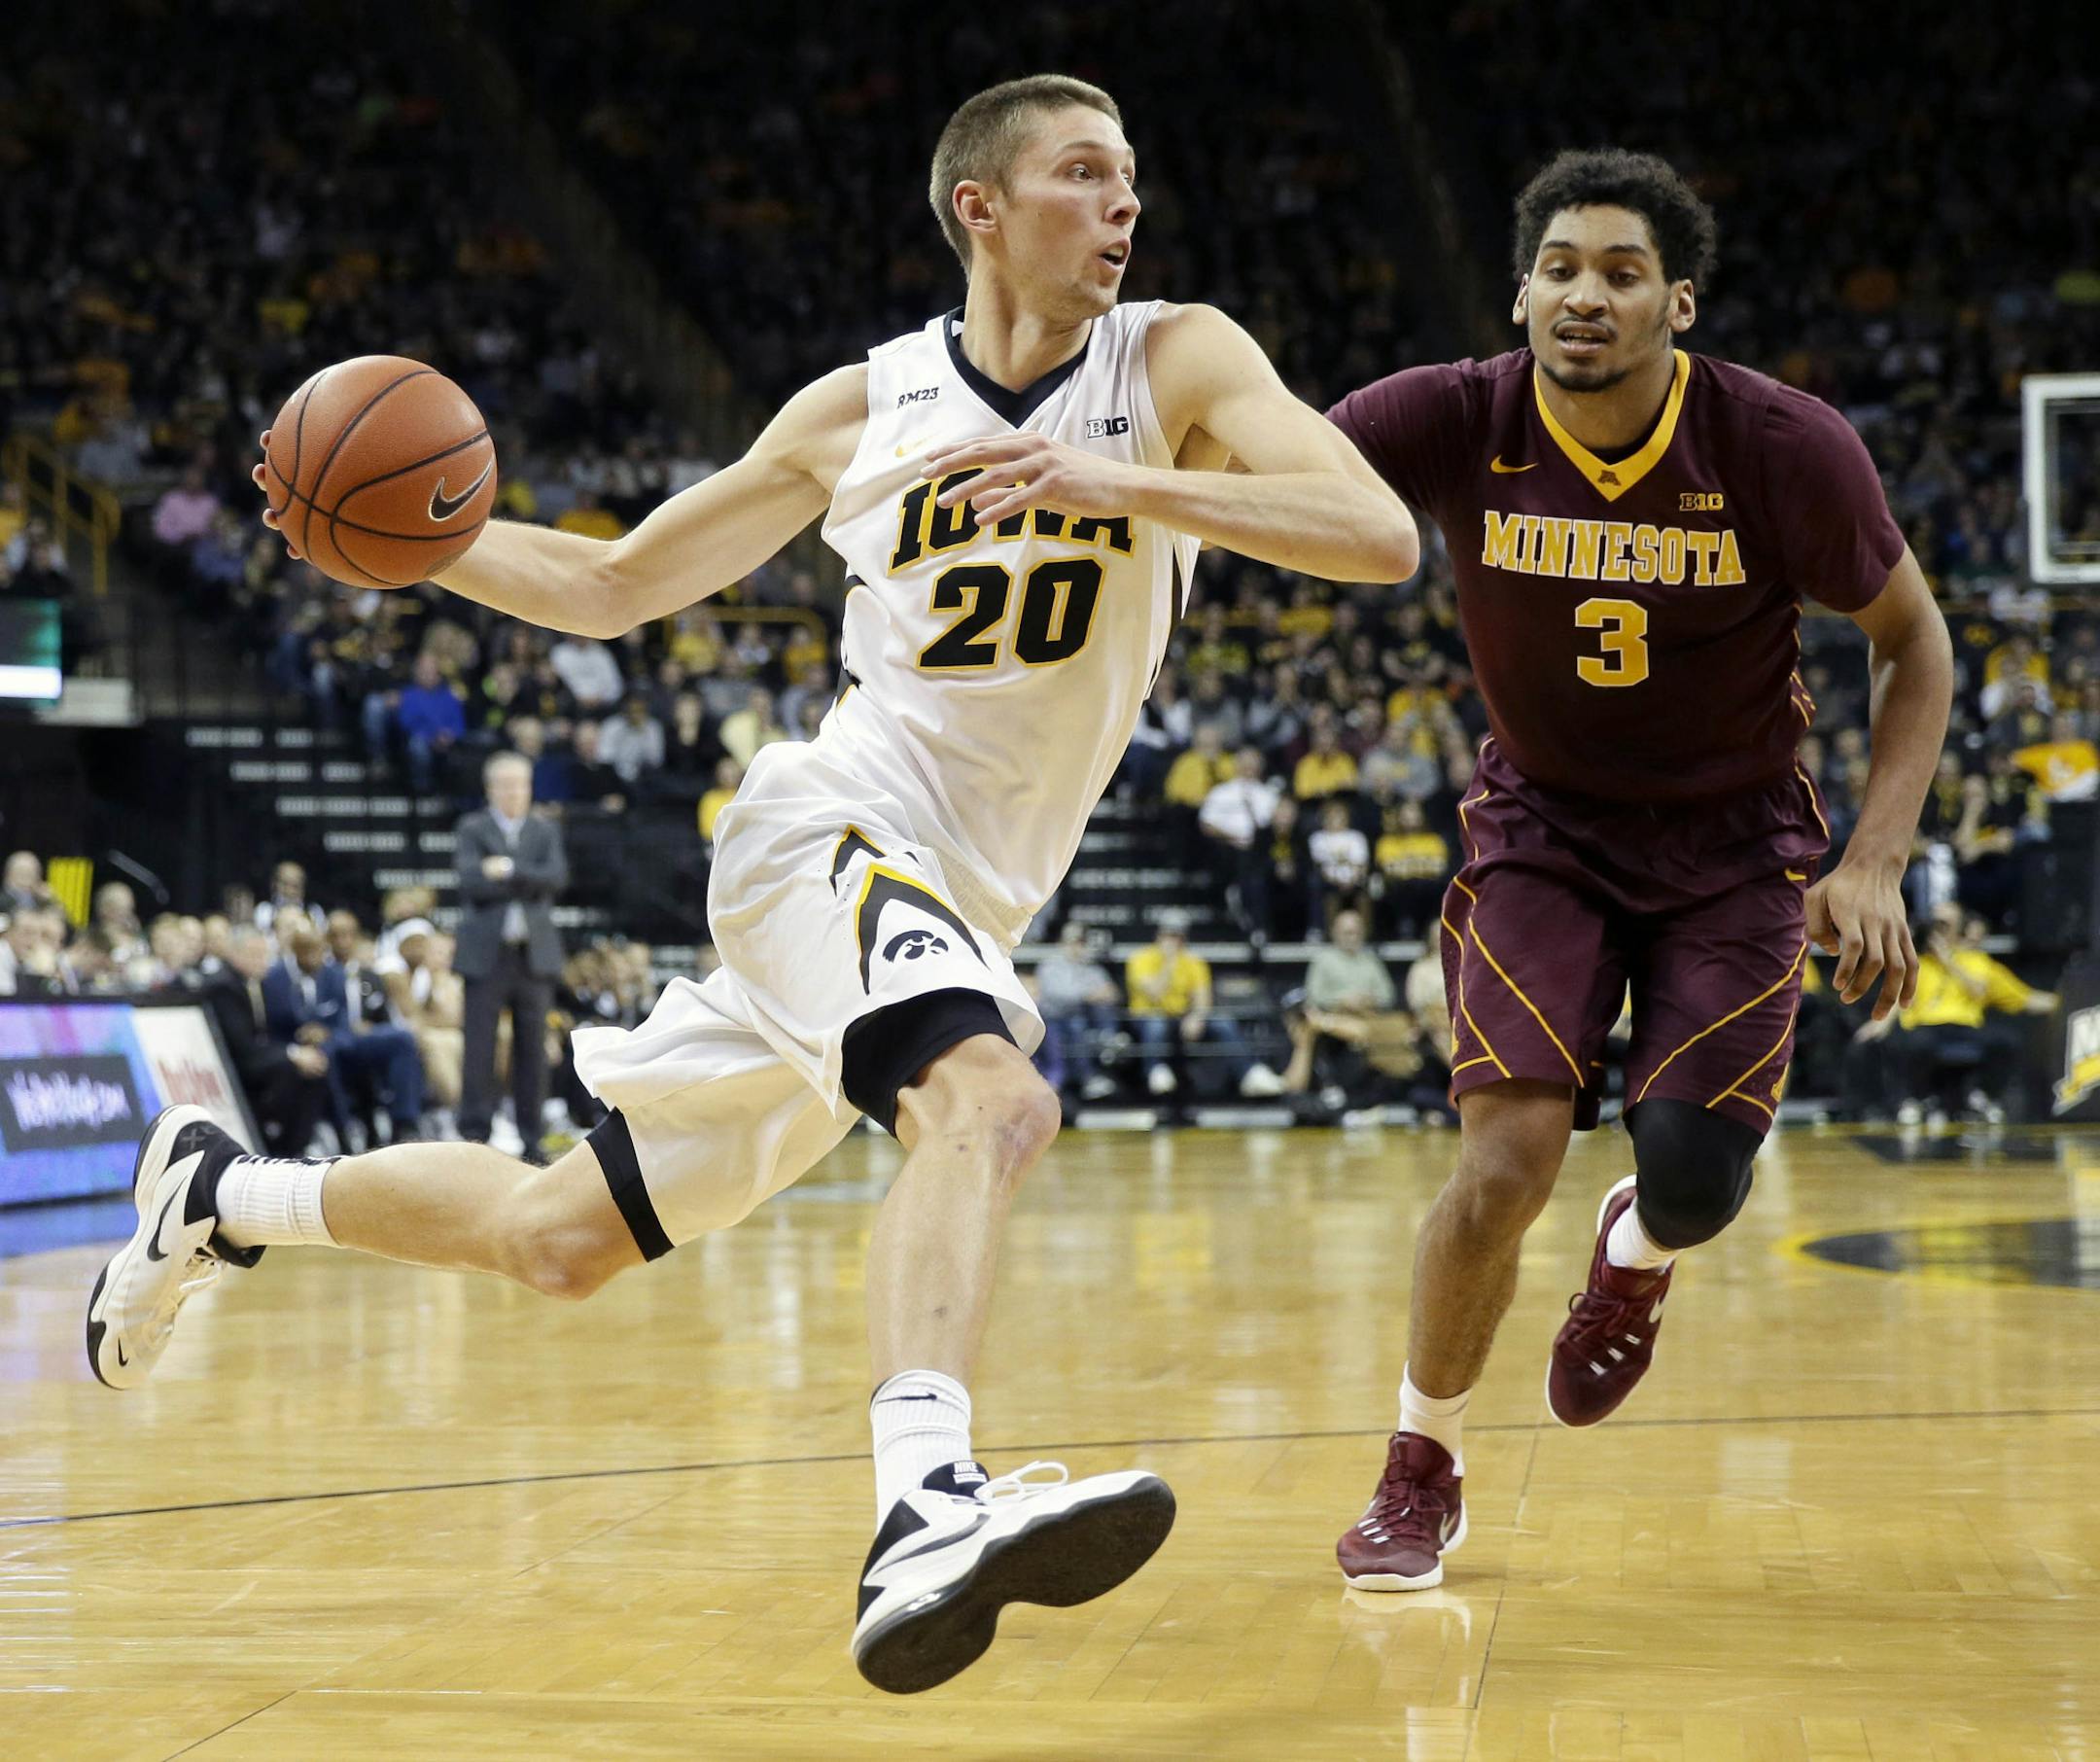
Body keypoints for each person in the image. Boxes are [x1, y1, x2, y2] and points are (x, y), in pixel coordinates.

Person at [109, 72, 1414, 1694]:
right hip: (835, 832)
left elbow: (1375, 534)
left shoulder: (1178, 361)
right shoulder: (861, 411)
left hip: (963, 895)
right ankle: (929, 1500)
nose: (1127, 203)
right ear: (981, 209)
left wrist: (1127, 486)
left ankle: (221, 1198)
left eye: (1133, 176)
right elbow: (613, 582)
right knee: (990, 1100)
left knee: (555, 1237)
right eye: (1087, 174)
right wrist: (416, 541)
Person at [1324, 148, 1950, 1591]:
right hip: (1541, 826)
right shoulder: (1452, 415)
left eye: (1619, 275)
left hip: (1736, 847)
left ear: (1678, 305)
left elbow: (1914, 643)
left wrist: (1873, 858)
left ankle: (1639, 1253)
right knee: (1509, 1152)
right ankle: (1423, 1466)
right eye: (1558, 268)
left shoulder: (1782, 444)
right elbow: (1268, 464)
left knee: (1691, 1176)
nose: (1582, 298)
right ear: (1523, 289)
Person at [452, 753, 568, 1154]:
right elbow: (469, 883)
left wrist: (507, 871)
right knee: (479, 1048)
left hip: (533, 957)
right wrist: (526, 880)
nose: (514, 791)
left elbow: (556, 877)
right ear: (490, 789)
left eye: (521, 783)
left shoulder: (544, 829)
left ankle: (532, 1137)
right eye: (506, 784)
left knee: (533, 1051)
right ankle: (474, 1135)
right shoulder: (472, 827)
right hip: (486, 956)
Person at [1125, 909, 1284, 1100]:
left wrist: (1196, 1017)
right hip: (1147, 1016)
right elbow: (1155, 993)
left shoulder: (1194, 962)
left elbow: (1203, 997)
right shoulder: (1140, 959)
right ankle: (1155, 1071)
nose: (1174, 941)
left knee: (1222, 1021)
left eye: (1179, 936)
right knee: (1156, 1023)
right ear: (1159, 935)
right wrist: (1168, 963)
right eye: (1169, 935)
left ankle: (1248, 1073)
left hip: (1181, 1017)